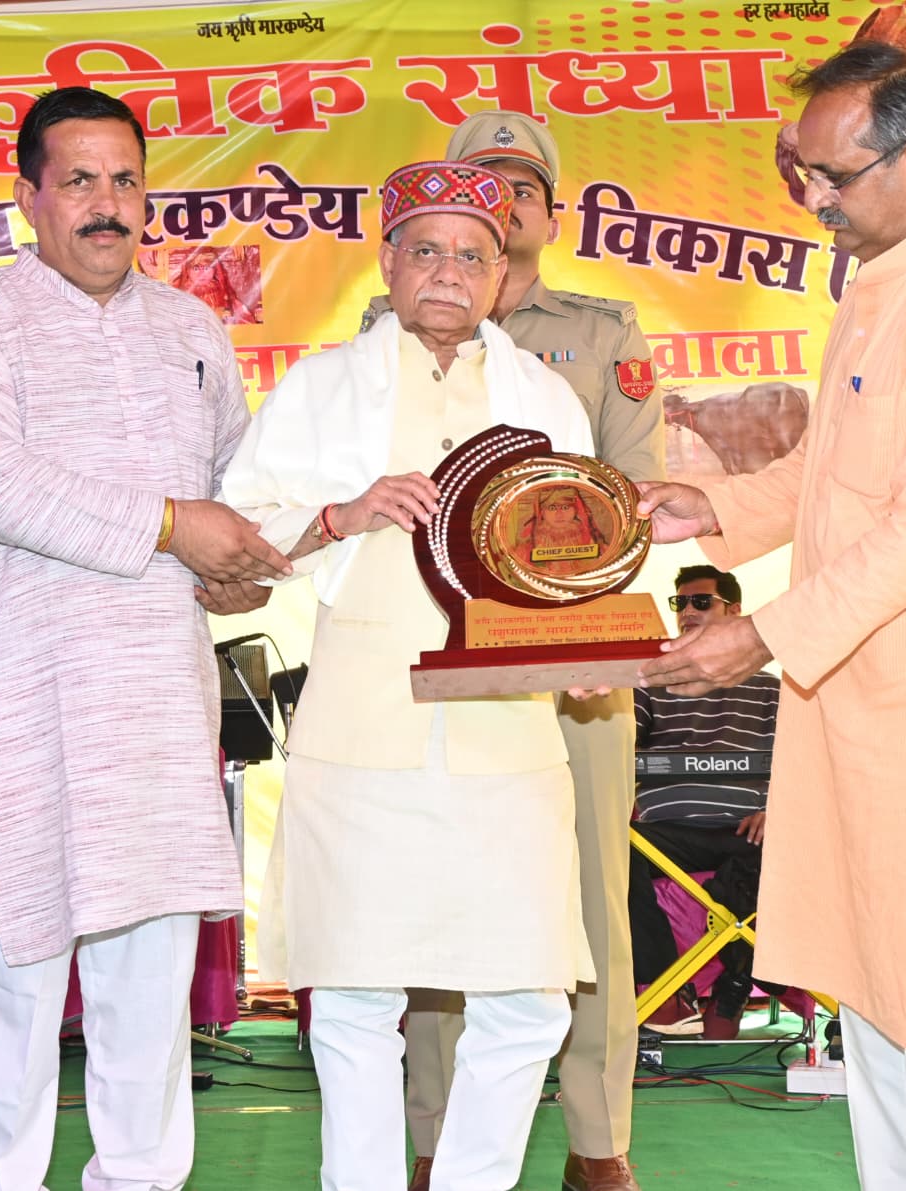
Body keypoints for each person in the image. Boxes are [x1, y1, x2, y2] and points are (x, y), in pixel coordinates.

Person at [631, 42, 906, 1189]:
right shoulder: (879, 292)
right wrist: (712, 506)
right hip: (865, 719)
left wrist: (756, 636)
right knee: (880, 1015)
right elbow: (831, 470)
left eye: (831, 175)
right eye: (803, 174)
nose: (813, 198)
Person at [0, 86, 290, 1191]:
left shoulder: (191, 330)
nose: (106, 203)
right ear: (28, 196)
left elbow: (234, 489)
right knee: (13, 989)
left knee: (147, 998)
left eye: (124, 179)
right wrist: (173, 527)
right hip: (24, 705)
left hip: (157, 707)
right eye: (77, 180)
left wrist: (237, 570)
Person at [220, 159, 596, 1191]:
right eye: (425, 249)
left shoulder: (545, 396)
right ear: (386, 261)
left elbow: (580, 556)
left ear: (501, 273)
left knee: (529, 998)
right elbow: (234, 533)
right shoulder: (320, 387)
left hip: (507, 726)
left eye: (472, 255)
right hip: (362, 717)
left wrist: (585, 642)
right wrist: (340, 513)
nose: (448, 272)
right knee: (352, 998)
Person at [362, 110, 664, 1191]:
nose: (510, 196)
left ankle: (598, 1140)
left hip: (571, 656)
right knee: (437, 891)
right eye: (485, 180)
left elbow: (632, 492)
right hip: (434, 653)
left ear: (549, 209)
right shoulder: (388, 325)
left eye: (526, 181)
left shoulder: (604, 332)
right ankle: (434, 1137)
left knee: (591, 899)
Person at [628, 566, 779, 1039]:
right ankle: (665, 988)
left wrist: (777, 808)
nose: (687, 611)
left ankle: (734, 985)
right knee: (610, 846)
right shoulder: (649, 685)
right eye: (680, 603)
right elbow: (619, 742)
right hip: (666, 835)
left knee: (784, 857)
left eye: (701, 602)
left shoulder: (772, 689)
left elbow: (804, 760)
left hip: (745, 829)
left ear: (734, 611)